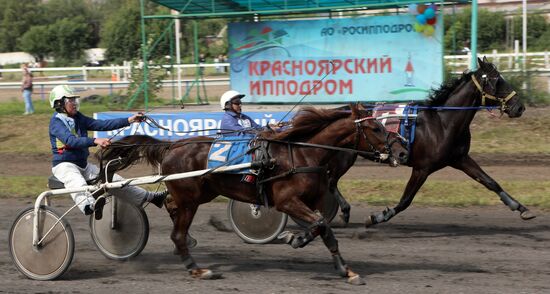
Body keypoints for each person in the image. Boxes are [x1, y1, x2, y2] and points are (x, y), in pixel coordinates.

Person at [48, 85, 168, 219]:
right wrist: (95, 140)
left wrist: (129, 120)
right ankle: (88, 206)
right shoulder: (56, 123)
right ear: (59, 104)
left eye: (75, 100)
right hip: (64, 166)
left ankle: (152, 197)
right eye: (71, 101)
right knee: (77, 181)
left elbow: (102, 125)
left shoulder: (78, 118)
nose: (75, 104)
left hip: (83, 166)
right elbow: (70, 141)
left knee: (115, 181)